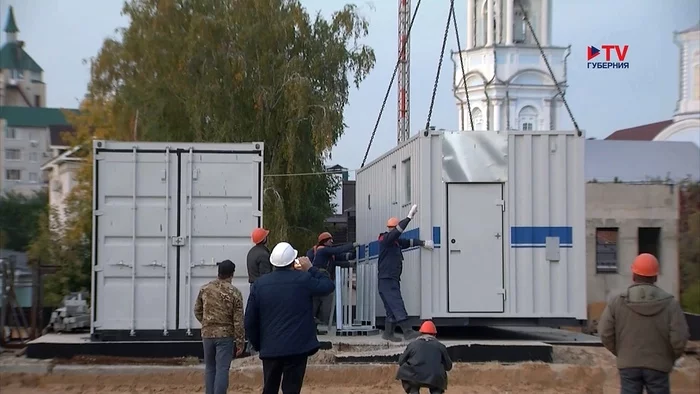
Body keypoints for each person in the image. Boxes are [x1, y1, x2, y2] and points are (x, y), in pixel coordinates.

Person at [245, 242, 335, 394]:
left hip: (271, 349)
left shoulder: (260, 284)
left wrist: (259, 344)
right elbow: (328, 286)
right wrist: (311, 268)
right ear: (293, 261)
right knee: (292, 390)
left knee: (270, 389)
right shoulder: (303, 279)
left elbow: (249, 320)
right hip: (297, 349)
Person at [598, 253, 690, 394]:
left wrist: (622, 353)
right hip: (659, 365)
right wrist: (668, 357)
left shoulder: (617, 302)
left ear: (634, 275)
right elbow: (680, 337)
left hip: (628, 364)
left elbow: (605, 332)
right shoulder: (670, 304)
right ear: (655, 276)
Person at [378, 204, 434, 342]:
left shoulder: (394, 242)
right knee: (397, 303)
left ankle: (388, 333)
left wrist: (423, 243)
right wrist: (409, 217)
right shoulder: (387, 239)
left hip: (388, 279)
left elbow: (409, 242)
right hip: (387, 279)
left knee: (391, 307)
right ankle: (408, 331)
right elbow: (397, 232)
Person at [194, 259, 245, 394]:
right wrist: (240, 342)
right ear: (232, 274)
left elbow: (197, 310)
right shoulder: (235, 293)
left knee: (210, 368)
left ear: (219, 272)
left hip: (207, 334)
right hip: (225, 335)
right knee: (222, 368)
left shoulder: (205, 289)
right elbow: (238, 320)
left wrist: (206, 323)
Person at [310, 232, 358, 334]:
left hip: (320, 279)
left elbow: (338, 259)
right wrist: (352, 245)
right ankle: (318, 323)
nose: (332, 241)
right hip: (320, 278)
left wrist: (351, 260)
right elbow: (338, 250)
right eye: (329, 240)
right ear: (324, 242)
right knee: (322, 301)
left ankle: (315, 327)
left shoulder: (328, 254)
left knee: (318, 303)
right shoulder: (322, 250)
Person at [396, 320, 452, 394]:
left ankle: (413, 391)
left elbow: (401, 362)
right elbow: (448, 366)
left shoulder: (413, 345)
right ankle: (436, 392)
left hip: (414, 376)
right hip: (434, 377)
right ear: (434, 335)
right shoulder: (440, 346)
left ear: (420, 333)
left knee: (404, 370)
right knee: (440, 374)